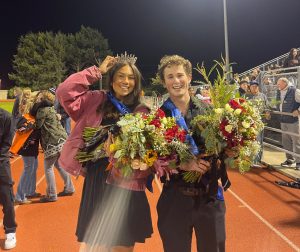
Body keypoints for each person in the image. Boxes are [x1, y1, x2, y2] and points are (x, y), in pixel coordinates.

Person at [56, 54, 153, 251]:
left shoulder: (141, 110)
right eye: (121, 76)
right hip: (98, 179)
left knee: (122, 245)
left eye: (131, 77)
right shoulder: (95, 100)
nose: (126, 81)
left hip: (127, 182)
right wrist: (96, 72)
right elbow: (65, 91)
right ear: (112, 78)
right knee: (95, 245)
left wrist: (120, 154)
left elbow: (145, 152)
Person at [155, 55, 230, 252]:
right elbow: (153, 160)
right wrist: (181, 164)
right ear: (164, 82)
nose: (176, 81)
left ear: (189, 77)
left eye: (180, 75)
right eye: (170, 77)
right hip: (174, 199)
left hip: (209, 197)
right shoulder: (157, 118)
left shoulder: (211, 112)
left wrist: (230, 153)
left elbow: (225, 152)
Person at [30, 91, 75, 202]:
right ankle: (69, 188)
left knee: (48, 168)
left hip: (52, 142)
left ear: (43, 98)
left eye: (39, 97)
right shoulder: (51, 109)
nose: (37, 98)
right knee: (59, 165)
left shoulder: (42, 110)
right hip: (62, 139)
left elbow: (37, 126)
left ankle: (51, 194)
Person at [13, 91, 41, 204]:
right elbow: (19, 128)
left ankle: (30, 191)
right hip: (26, 148)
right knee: (28, 169)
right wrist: (30, 126)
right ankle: (19, 196)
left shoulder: (33, 117)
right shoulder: (25, 118)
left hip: (32, 148)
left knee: (34, 167)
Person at [0, 108, 17, 250]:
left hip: (0, 162)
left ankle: (10, 231)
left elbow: (6, 144)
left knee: (7, 197)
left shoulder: (6, 117)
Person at [276, 77, 300, 170]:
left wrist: (298, 110)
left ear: (285, 83)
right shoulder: (279, 91)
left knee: (296, 142)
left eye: (279, 84)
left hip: (293, 121)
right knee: (286, 142)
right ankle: (290, 160)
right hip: (283, 120)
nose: (278, 86)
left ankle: (299, 162)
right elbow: (278, 103)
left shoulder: (295, 91)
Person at [246, 80, 270, 166]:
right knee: (250, 141)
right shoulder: (247, 96)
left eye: (256, 86)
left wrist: (267, 113)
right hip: (249, 123)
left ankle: (257, 160)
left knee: (259, 141)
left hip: (260, 122)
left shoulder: (263, 96)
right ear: (250, 87)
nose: (254, 88)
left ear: (258, 87)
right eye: (252, 86)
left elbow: (267, 107)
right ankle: (250, 159)